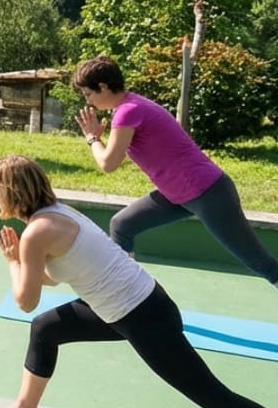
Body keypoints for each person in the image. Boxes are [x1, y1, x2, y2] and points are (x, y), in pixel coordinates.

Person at [0, 154, 278, 408]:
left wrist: (14, 262)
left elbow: (26, 303)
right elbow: (55, 276)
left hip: (144, 317)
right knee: (46, 328)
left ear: (13, 192)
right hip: (133, 306)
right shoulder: (59, 213)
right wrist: (24, 263)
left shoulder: (36, 234)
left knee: (214, 397)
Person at [73, 55, 278, 285]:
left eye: (88, 94)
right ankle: (126, 288)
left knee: (261, 263)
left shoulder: (128, 111)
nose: (88, 101)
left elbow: (108, 164)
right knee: (122, 225)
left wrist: (92, 138)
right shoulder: (129, 107)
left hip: (208, 192)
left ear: (103, 87)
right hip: (177, 195)